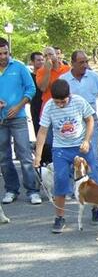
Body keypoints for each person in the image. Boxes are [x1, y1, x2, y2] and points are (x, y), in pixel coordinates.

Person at [33, 79, 96, 233]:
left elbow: (89, 120)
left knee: (93, 178)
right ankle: (59, 217)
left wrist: (87, 141)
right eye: (57, 102)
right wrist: (38, 156)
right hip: (61, 148)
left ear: (70, 95)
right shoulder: (49, 106)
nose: (60, 105)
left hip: (80, 146)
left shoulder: (79, 102)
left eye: (63, 101)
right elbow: (42, 131)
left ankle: (96, 207)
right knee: (60, 179)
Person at [60, 50, 98, 221]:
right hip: (71, 124)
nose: (85, 65)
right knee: (72, 161)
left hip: (90, 122)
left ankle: (97, 204)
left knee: (92, 159)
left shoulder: (93, 77)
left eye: (86, 61)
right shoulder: (64, 80)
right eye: (81, 62)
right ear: (72, 63)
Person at [0, 37, 41, 205]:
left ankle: (33, 190)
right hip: (1, 121)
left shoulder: (19, 67)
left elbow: (31, 88)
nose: (3, 56)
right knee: (3, 157)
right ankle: (11, 189)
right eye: (0, 54)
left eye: (5, 53)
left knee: (24, 154)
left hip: (19, 118)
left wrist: (18, 106)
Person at [36, 46, 71, 165]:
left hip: (65, 108)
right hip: (49, 109)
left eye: (50, 54)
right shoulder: (41, 71)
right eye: (45, 56)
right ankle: (55, 164)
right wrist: (47, 71)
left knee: (67, 136)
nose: (48, 57)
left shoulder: (67, 69)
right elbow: (43, 87)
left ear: (57, 55)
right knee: (51, 141)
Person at [29, 51, 44, 136]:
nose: (41, 62)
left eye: (42, 60)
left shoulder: (47, 75)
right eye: (38, 60)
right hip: (35, 106)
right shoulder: (29, 77)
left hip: (45, 105)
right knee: (38, 131)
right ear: (32, 62)